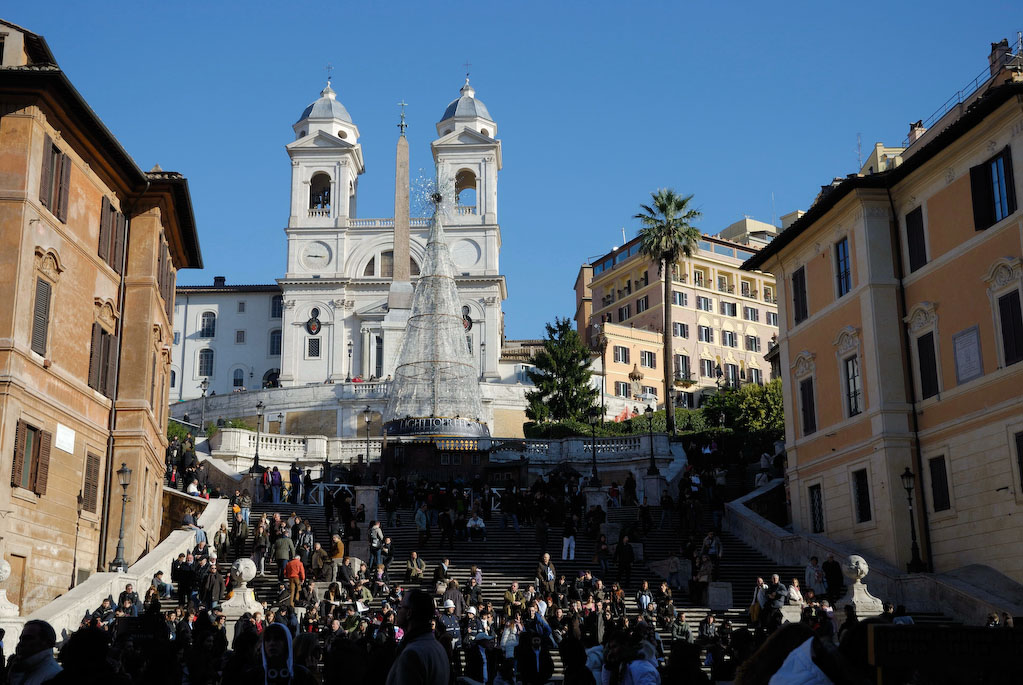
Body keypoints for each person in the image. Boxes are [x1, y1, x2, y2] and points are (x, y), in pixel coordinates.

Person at [385, 589, 450, 685]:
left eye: (400, 607)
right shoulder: (437, 646)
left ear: (409, 613)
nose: (397, 611)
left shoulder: (412, 654)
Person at [7, 620, 61, 685]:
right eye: (21, 639)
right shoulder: (19, 668)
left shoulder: (54, 675)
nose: (21, 643)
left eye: (28, 638)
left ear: (46, 642)